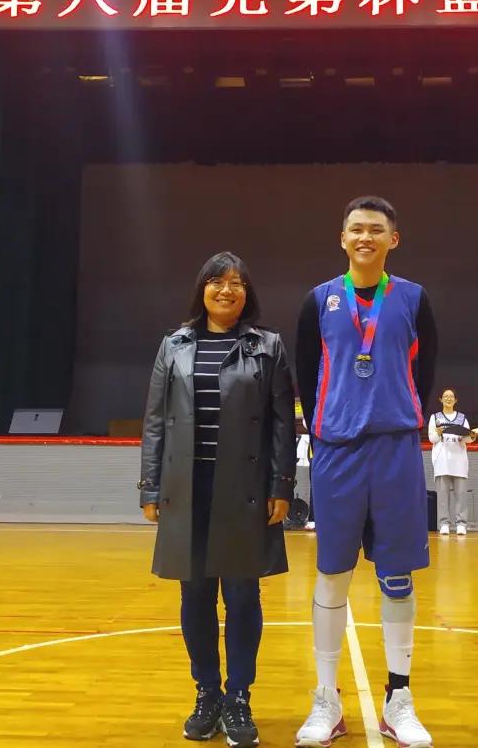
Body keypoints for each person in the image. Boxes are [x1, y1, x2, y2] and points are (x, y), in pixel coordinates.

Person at [294, 196, 438, 748]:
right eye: (356, 229)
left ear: (392, 240)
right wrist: (330, 426)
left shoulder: (414, 299)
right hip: (337, 450)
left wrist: (394, 413)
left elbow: (424, 373)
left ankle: (399, 699)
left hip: (396, 448)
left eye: (376, 230)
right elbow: (308, 372)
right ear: (342, 237)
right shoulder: (318, 300)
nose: (365, 238)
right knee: (333, 573)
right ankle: (326, 700)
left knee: (397, 576)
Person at [139, 251, 296, 747]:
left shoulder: (268, 346)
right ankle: (206, 693)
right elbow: (156, 421)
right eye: (216, 281)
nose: (225, 290)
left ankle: (239, 697)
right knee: (196, 596)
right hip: (187, 489)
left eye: (236, 283)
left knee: (244, 596)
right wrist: (150, 486)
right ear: (201, 288)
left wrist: (281, 485)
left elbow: (282, 424)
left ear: (247, 293)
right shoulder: (174, 345)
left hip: (245, 490)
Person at [428, 388, 474, 536]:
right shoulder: (435, 418)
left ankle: (461, 524)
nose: (448, 398)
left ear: (455, 400)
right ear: (441, 399)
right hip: (442, 461)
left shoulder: (462, 418)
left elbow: (467, 438)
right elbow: (432, 439)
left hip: (459, 460)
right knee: (442, 495)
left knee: (461, 495)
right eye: (445, 396)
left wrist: (473, 436)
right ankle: (444, 523)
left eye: (451, 396)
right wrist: (438, 433)